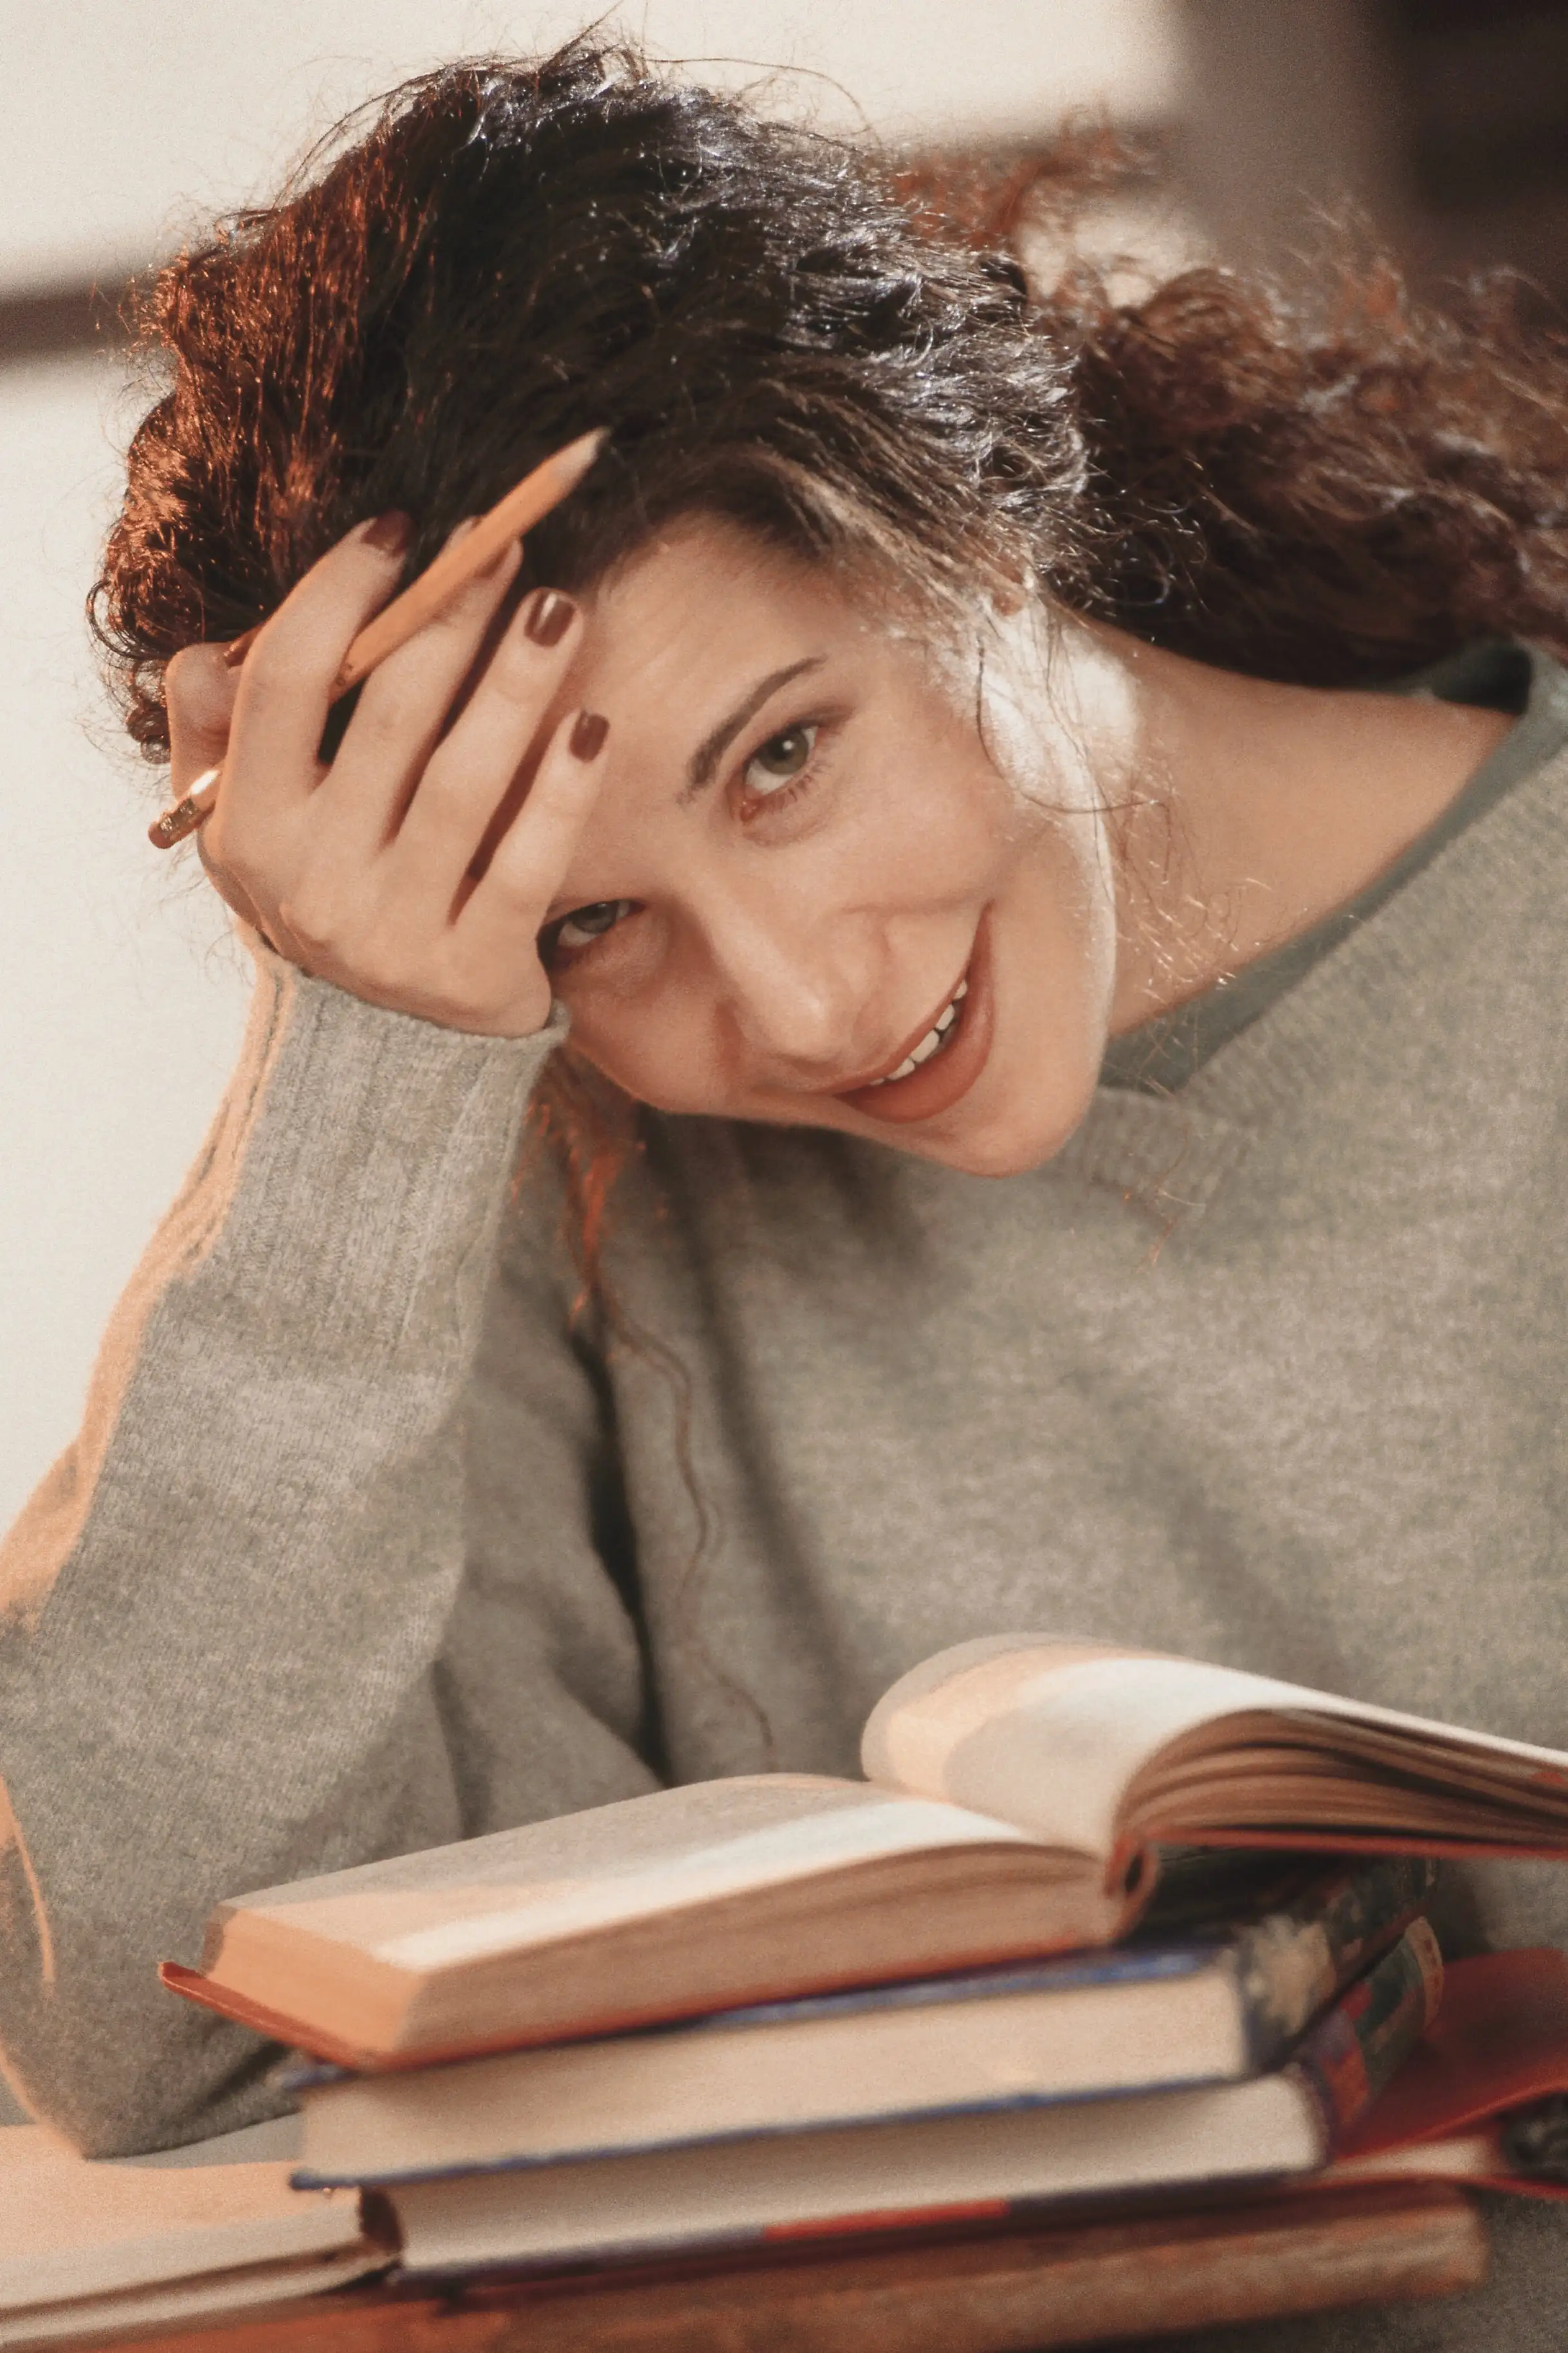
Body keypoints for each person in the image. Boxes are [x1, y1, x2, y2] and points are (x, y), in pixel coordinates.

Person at [5, 37, 1568, 2345]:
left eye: (783, 757)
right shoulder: (554, 1160)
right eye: (579, 920)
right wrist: (357, 1064)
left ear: (975, 510)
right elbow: (166, 2042)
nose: (801, 1009)